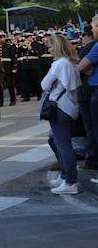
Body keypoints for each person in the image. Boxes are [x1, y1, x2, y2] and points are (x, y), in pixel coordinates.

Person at [43, 35, 82, 195]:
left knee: (64, 146)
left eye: (51, 46)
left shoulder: (59, 64)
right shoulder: (72, 62)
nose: (49, 50)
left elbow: (44, 84)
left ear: (58, 46)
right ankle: (65, 176)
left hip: (60, 108)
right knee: (62, 144)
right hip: (71, 107)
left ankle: (70, 181)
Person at [78, 16, 98, 180]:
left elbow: (82, 67)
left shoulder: (93, 46)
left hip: (90, 92)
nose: (92, 30)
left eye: (93, 27)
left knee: (92, 129)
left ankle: (92, 160)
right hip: (90, 91)